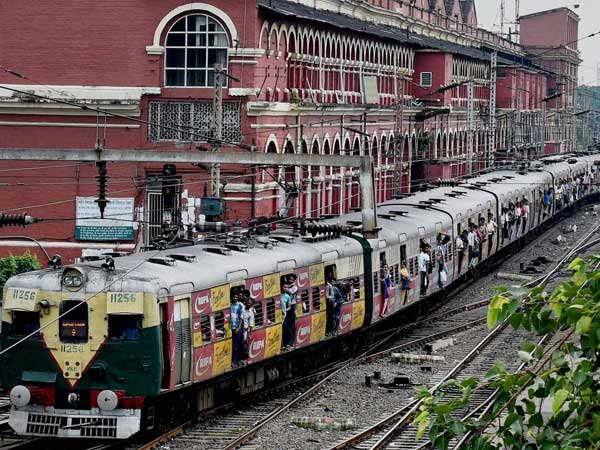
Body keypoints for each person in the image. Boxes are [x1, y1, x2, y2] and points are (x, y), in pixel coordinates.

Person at [230, 292, 245, 366]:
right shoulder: (230, 305)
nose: (235, 298)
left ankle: (235, 361)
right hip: (231, 328)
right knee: (232, 345)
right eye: (234, 297)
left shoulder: (240, 305)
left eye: (236, 297)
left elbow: (241, 317)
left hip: (237, 328)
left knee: (236, 346)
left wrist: (239, 328)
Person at [241, 297, 255, 363]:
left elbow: (251, 325)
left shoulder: (251, 313)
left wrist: (250, 334)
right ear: (246, 302)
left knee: (244, 344)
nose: (249, 304)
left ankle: (244, 359)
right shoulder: (242, 308)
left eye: (250, 304)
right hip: (239, 329)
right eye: (248, 303)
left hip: (245, 330)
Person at [286, 274, 298, 347]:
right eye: (289, 279)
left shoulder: (295, 287)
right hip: (287, 305)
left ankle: (291, 343)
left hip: (292, 306)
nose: (290, 281)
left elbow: (290, 292)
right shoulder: (288, 285)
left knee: (291, 325)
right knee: (287, 326)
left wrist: (286, 287)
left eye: (292, 280)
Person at [280, 284, 292, 350]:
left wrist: (284, 310)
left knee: (284, 330)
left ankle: (284, 344)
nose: (286, 288)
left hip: (284, 315)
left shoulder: (287, 296)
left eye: (287, 287)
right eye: (284, 287)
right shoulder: (278, 295)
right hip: (278, 315)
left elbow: (289, 307)